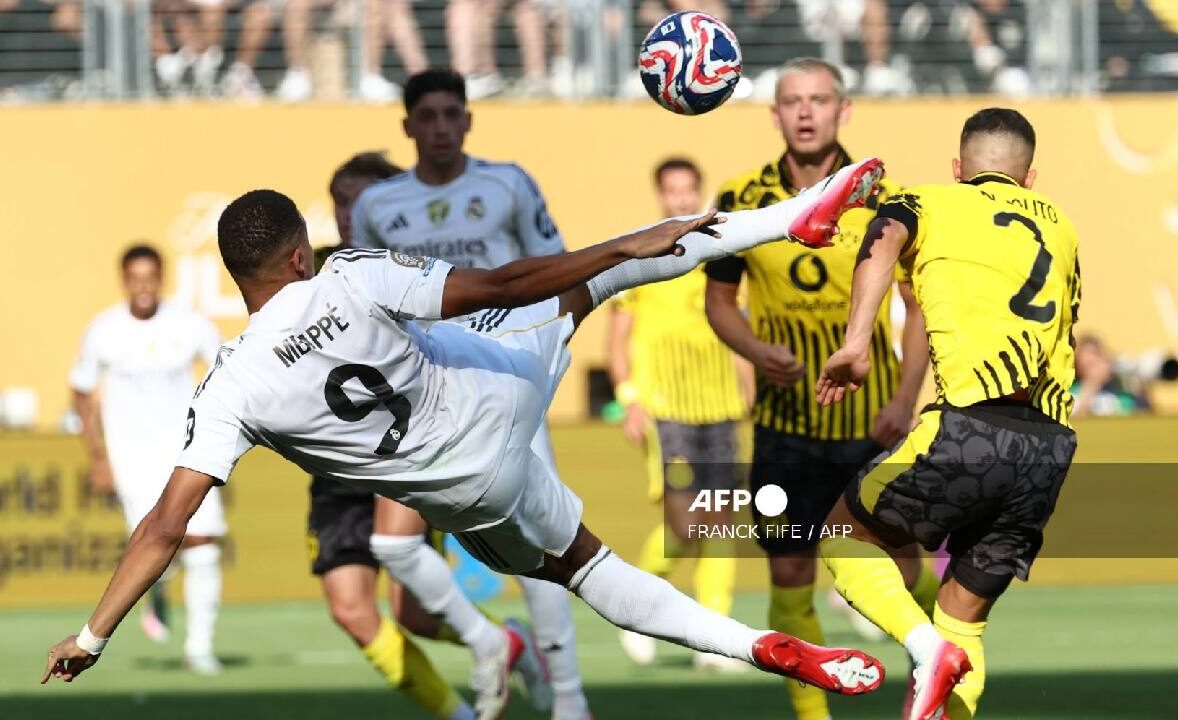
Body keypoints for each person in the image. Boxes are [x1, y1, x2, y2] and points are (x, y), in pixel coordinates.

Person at [43, 158, 892, 712]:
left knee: (588, 571)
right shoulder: (349, 274)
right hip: (499, 392)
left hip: (468, 495)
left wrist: (91, 636)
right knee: (609, 271)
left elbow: (162, 527)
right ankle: (793, 216)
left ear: (236, 278)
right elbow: (506, 283)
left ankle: (761, 648)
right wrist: (620, 247)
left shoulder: (229, 386)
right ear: (302, 255)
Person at [812, 108, 1080, 719]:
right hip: (1049, 445)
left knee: (843, 536)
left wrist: (856, 342)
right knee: (964, 616)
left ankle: (923, 648)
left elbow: (883, 237)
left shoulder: (929, 201)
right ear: (1029, 178)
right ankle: (942, 655)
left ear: (958, 169)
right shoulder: (1061, 226)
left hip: (972, 423)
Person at [704, 56, 938, 720]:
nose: (806, 111)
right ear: (775, 114)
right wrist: (756, 350)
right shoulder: (741, 198)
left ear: (844, 110)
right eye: (793, 101)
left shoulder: (888, 198)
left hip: (873, 423)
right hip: (785, 429)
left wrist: (905, 400)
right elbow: (719, 304)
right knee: (788, 574)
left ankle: (936, 669)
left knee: (902, 566)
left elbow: (919, 306)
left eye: (819, 99)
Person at [351, 67, 587, 720]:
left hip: (508, 377)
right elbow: (367, 302)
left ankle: (570, 699)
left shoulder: (507, 184)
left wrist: (548, 350)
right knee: (394, 543)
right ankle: (496, 643)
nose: (441, 128)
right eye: (427, 117)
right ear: (407, 126)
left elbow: (559, 269)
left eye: (452, 114)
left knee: (541, 534)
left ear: (469, 120)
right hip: (426, 391)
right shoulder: (378, 207)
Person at [311, 151, 477, 720]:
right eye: (340, 202)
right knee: (350, 610)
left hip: (403, 452)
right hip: (337, 462)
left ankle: (509, 644)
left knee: (416, 616)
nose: (349, 213)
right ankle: (460, 713)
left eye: (362, 201)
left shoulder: (420, 272)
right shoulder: (313, 271)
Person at [608, 157, 753, 672]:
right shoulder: (640, 255)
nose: (682, 199)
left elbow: (736, 324)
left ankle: (716, 639)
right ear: (660, 195)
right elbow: (617, 340)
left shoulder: (720, 253)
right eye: (673, 191)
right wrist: (628, 398)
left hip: (721, 407)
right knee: (685, 524)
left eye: (689, 189)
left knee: (722, 521)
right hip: (666, 409)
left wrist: (749, 386)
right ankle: (633, 608)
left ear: (699, 190)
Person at [69, 245, 226, 675]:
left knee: (202, 542)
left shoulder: (189, 324)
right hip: (132, 457)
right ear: (124, 280)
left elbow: (227, 372)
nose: (143, 286)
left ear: (161, 278)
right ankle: (158, 587)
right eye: (135, 278)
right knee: (154, 546)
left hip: (188, 452)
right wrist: (98, 457)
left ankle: (199, 648)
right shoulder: (104, 329)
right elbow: (81, 392)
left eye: (150, 277)